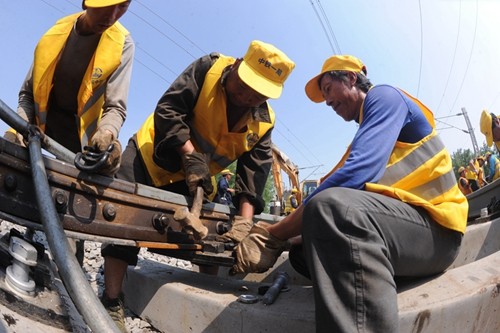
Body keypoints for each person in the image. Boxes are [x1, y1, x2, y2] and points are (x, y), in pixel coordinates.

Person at [232, 55, 468, 333]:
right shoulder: (369, 131)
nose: (328, 102)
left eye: (329, 90)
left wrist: (275, 233)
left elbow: (356, 176)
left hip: (439, 234)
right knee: (303, 249)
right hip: (412, 236)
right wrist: (297, 234)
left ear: (352, 78)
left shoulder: (384, 97)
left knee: (329, 206)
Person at [99, 40, 295, 329]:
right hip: (153, 156)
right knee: (125, 220)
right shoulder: (209, 69)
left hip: (197, 181)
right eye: (243, 86)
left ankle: (207, 295)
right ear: (238, 64)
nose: (247, 97)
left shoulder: (264, 123)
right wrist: (189, 153)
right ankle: (111, 299)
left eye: (258, 95)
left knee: (213, 236)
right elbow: (168, 109)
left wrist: (244, 222)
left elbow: (254, 172)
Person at [4, 0, 134, 176]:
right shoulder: (55, 34)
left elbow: (115, 107)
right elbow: (27, 94)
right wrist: (21, 127)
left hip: (86, 143)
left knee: (103, 170)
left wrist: (107, 132)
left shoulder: (122, 43)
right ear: (86, 3)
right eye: (107, 5)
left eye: (122, 6)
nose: (112, 17)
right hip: (42, 128)